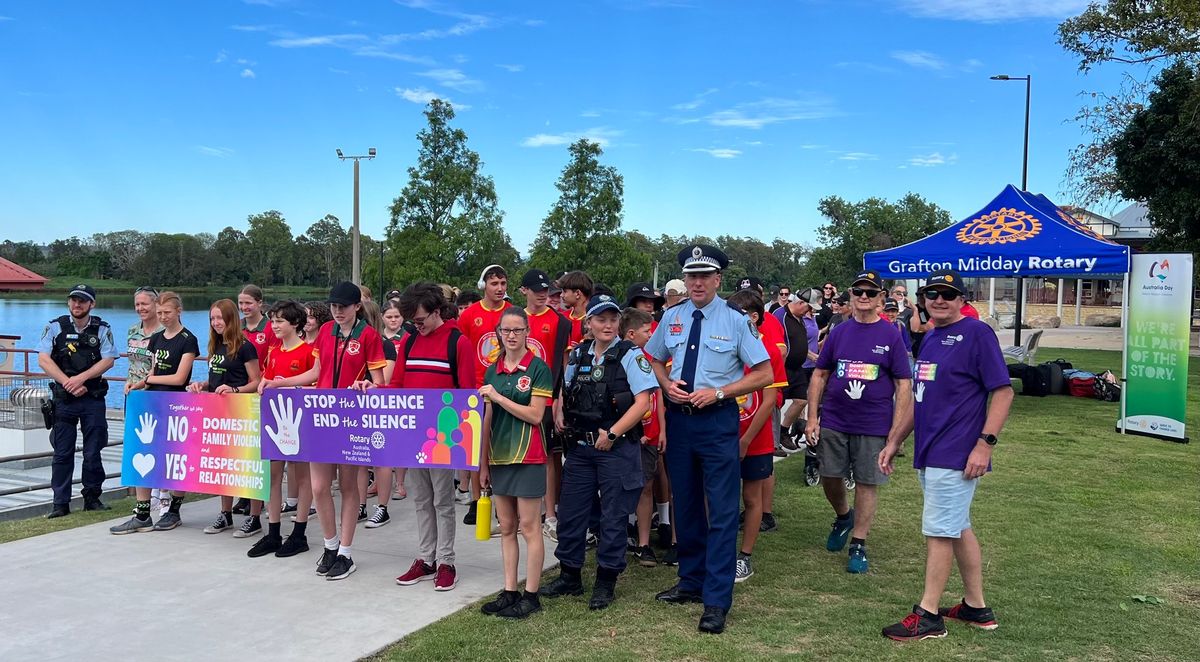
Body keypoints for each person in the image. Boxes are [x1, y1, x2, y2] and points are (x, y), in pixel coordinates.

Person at [879, 269, 1013, 641]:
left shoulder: (977, 333)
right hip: (930, 449)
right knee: (957, 526)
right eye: (932, 293)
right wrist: (894, 440)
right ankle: (975, 607)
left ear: (962, 300)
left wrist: (984, 444)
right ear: (922, 299)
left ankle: (928, 614)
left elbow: (1003, 392)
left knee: (939, 530)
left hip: (956, 452)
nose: (939, 300)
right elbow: (919, 400)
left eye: (948, 295)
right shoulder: (931, 337)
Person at [645, 245, 771, 634]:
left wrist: (721, 392)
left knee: (720, 510)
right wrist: (666, 384)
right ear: (684, 279)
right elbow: (653, 356)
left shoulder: (735, 320)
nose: (697, 282)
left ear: (718, 280)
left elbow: (763, 374)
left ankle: (716, 599)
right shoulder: (672, 316)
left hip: (717, 421)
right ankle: (691, 580)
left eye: (705, 276)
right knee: (685, 504)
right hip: (681, 423)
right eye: (691, 276)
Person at [539, 294, 656, 611]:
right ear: (588, 323)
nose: (607, 325)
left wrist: (614, 433)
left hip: (616, 449)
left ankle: (606, 581)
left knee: (614, 517)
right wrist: (559, 409)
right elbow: (565, 388)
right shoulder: (578, 354)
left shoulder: (631, 355)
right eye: (600, 319)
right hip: (579, 448)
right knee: (572, 514)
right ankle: (569, 575)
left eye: (613, 319)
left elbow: (644, 402)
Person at [263, 282, 386, 581]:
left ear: (357, 306)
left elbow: (380, 381)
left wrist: (368, 385)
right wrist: (280, 382)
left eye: (343, 306)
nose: (338, 311)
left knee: (348, 487)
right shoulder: (326, 332)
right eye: (334, 306)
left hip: (352, 419)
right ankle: (330, 545)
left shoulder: (368, 336)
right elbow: (316, 372)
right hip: (321, 417)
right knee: (319, 487)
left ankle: (346, 552)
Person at [805, 271, 912, 574]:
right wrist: (812, 417)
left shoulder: (891, 333)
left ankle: (859, 543)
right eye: (858, 291)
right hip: (836, 418)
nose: (863, 297)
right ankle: (843, 515)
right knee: (829, 475)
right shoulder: (839, 331)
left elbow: (904, 383)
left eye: (870, 292)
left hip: (874, 422)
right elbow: (820, 374)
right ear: (850, 295)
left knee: (867, 481)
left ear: (880, 297)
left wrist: (896, 429)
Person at [389, 282, 475, 592]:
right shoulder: (410, 343)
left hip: (443, 437)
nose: (416, 326)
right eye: (413, 321)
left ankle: (446, 561)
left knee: (443, 501)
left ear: (437, 311)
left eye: (421, 320)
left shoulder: (458, 342)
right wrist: (373, 391)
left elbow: (468, 395)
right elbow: (397, 384)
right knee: (421, 500)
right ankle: (426, 558)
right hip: (412, 435)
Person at [478, 307, 553, 619]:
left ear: (527, 332)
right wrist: (482, 464)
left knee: (529, 526)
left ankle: (531, 594)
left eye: (517, 330)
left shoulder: (538, 369)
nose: (511, 336)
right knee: (507, 526)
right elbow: (486, 419)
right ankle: (510, 590)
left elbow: (536, 416)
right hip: (498, 457)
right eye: (505, 330)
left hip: (529, 455)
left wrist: (498, 397)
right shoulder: (492, 370)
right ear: (498, 332)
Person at [110, 291, 199, 533]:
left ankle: (174, 509)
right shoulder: (156, 338)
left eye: (167, 313)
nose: (163, 317)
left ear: (178, 311)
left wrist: (149, 378)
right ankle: (142, 512)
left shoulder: (188, 339)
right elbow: (152, 371)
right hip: (151, 400)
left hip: (175, 401)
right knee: (143, 450)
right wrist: (138, 384)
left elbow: (180, 377)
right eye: (160, 313)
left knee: (175, 456)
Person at [37, 284, 118, 518]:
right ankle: (60, 503)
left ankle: (92, 498)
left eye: (83, 301)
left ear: (92, 304)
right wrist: (67, 382)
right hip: (64, 400)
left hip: (92, 398)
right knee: (62, 453)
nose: (77, 304)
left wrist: (81, 378)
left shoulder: (102, 328)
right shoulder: (54, 327)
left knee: (93, 451)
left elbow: (109, 359)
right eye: (73, 300)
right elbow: (43, 360)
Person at [725, 290, 787, 584]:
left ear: (753, 317)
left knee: (752, 498)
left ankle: (744, 556)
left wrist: (746, 440)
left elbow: (769, 400)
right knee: (719, 496)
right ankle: (719, 551)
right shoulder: (723, 347)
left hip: (755, 438)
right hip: (722, 436)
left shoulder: (769, 352)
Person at [250, 300, 315, 558]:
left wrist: (291, 388)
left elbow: (316, 385)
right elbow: (266, 378)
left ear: (295, 324)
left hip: (299, 423)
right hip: (275, 421)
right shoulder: (274, 351)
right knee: (273, 476)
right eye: (273, 321)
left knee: (301, 477)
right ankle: (273, 532)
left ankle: (299, 532)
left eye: (280, 321)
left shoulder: (308, 352)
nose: (274, 326)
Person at [191, 299, 262, 537]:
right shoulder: (216, 345)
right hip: (218, 413)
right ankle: (225, 513)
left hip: (242, 410)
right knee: (224, 465)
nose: (216, 322)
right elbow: (216, 377)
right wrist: (204, 384)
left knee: (246, 465)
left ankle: (254, 516)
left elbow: (256, 381)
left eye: (220, 317)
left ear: (231, 318)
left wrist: (235, 390)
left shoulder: (244, 346)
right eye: (212, 318)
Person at [519, 269, 572, 544]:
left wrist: (560, 400)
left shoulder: (560, 322)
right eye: (536, 289)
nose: (542, 294)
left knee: (550, 456)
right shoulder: (514, 319)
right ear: (523, 291)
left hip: (547, 397)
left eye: (546, 290)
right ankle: (522, 512)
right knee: (518, 454)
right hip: (516, 397)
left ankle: (550, 515)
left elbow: (565, 367)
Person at [459, 265, 512, 526]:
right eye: (494, 283)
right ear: (484, 285)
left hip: (505, 387)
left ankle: (502, 499)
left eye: (503, 283)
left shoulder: (513, 313)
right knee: (475, 446)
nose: (499, 288)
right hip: (476, 389)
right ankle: (475, 499)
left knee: (501, 444)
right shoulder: (470, 314)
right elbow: (462, 352)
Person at [618, 307, 666, 567]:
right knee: (619, 488)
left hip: (649, 434)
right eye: (647, 331)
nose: (650, 335)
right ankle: (619, 536)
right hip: (625, 437)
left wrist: (662, 430)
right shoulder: (617, 358)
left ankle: (644, 542)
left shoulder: (649, 358)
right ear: (632, 333)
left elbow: (655, 397)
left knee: (646, 486)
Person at [125, 286, 165, 513]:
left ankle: (160, 493)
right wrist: (128, 383)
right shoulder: (132, 330)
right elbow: (132, 362)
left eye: (145, 304)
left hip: (154, 391)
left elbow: (158, 368)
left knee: (157, 444)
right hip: (134, 394)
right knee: (138, 445)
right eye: (137, 304)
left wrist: (144, 383)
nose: (141, 308)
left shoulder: (162, 332)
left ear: (156, 305)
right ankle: (143, 498)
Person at [774, 287, 819, 453]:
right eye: (808, 307)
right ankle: (773, 441)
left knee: (802, 400)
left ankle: (783, 431)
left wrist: (811, 355)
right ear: (801, 303)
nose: (809, 311)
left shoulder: (799, 317)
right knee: (776, 403)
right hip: (783, 367)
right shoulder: (781, 316)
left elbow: (798, 343)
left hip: (797, 368)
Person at [379, 299, 409, 503]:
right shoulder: (377, 338)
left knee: (400, 440)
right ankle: (379, 481)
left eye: (396, 316)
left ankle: (399, 482)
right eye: (389, 316)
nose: (393, 320)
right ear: (382, 317)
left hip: (401, 391)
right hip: (381, 391)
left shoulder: (408, 337)